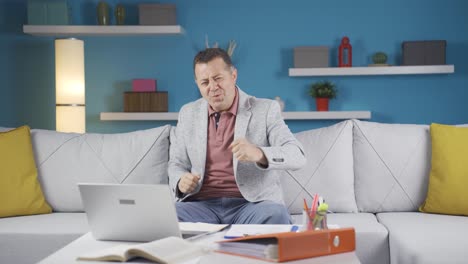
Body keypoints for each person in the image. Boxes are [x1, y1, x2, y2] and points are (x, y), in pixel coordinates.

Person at [168, 48, 306, 224]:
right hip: (201, 205)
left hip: (251, 206)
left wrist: (259, 154)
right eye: (204, 82)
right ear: (198, 85)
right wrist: (180, 181)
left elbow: (297, 155)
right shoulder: (188, 113)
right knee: (164, 216)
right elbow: (176, 164)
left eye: (218, 78)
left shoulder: (265, 109)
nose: (212, 87)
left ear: (233, 76)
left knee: (276, 215)